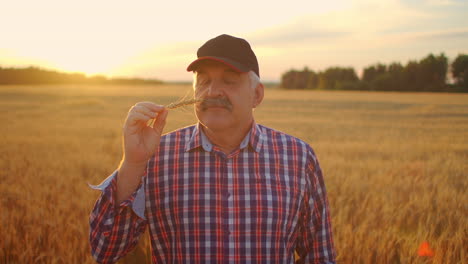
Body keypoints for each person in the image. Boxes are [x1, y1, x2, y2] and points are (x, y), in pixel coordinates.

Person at [89, 34, 336, 263]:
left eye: (229, 81)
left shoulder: (298, 158)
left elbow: (319, 256)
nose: (213, 91)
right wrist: (132, 163)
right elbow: (105, 249)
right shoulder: (156, 156)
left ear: (257, 95)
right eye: (204, 81)